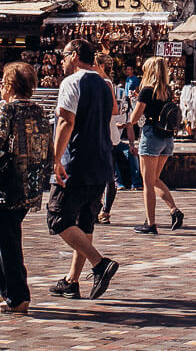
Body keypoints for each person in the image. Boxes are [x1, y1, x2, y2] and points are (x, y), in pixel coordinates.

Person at [48, 38, 119, 301]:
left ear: (76, 55)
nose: (62, 60)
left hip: (75, 162)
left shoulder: (72, 82)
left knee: (57, 217)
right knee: (85, 221)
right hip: (100, 161)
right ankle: (72, 280)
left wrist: (56, 159)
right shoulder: (103, 83)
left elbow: (66, 121)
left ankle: (100, 263)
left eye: (64, 55)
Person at [0, 61, 53, 313]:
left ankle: (18, 296)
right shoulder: (41, 112)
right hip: (30, 186)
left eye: (3, 81)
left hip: (6, 187)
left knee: (9, 241)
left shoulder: (7, 111)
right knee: (8, 236)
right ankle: (8, 291)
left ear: (10, 85)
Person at [127, 56, 183, 234]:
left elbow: (134, 118)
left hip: (151, 136)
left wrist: (134, 103)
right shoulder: (166, 90)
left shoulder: (146, 90)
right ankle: (174, 210)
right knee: (155, 179)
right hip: (167, 138)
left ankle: (150, 223)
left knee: (148, 183)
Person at [96, 54, 123, 225]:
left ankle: (105, 211)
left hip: (105, 133)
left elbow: (114, 109)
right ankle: (98, 208)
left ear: (100, 66)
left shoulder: (105, 83)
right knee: (103, 173)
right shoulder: (103, 82)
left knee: (108, 175)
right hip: (103, 132)